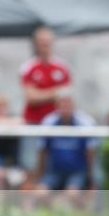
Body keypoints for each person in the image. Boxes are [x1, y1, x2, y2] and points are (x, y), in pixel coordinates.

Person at [19, 27, 71, 170]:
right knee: (30, 163)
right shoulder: (29, 67)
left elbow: (66, 97)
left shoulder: (62, 67)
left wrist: (41, 94)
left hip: (56, 125)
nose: (45, 45)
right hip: (34, 122)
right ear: (36, 44)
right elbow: (31, 97)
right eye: (42, 42)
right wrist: (55, 92)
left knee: (53, 166)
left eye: (48, 42)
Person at [35, 93, 96, 197]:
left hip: (77, 172)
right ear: (57, 106)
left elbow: (91, 153)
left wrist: (91, 178)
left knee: (72, 195)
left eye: (68, 105)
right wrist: (39, 177)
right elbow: (42, 151)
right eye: (62, 105)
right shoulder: (49, 122)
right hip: (54, 171)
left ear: (73, 106)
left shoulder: (85, 123)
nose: (65, 108)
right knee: (41, 193)